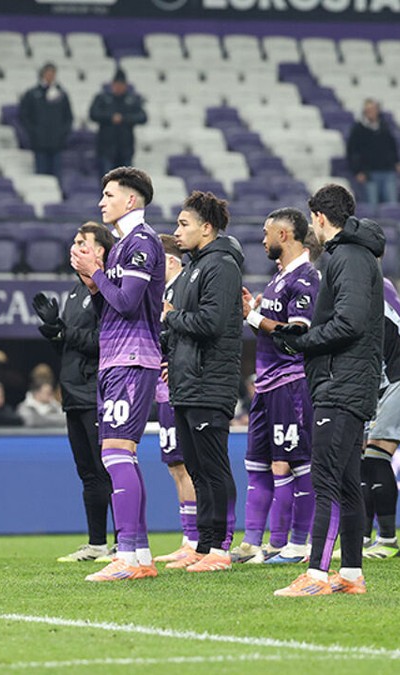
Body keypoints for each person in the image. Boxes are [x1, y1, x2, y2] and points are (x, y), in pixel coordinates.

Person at [272, 183, 384, 597]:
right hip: (346, 381)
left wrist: (304, 341)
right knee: (347, 484)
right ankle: (351, 574)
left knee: (326, 482)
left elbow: (350, 322)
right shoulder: (354, 254)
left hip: (341, 383)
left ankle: (316, 575)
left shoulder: (349, 256)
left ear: (319, 218)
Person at [73, 167, 164, 582]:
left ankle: (126, 555)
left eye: (109, 195)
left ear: (130, 200)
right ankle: (139, 554)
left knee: (114, 453)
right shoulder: (124, 244)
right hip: (115, 357)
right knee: (120, 453)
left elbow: (127, 303)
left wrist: (96, 274)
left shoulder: (141, 242)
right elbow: (109, 308)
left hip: (132, 356)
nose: (101, 202)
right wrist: (93, 284)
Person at [160, 191, 243, 573]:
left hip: (210, 382)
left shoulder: (221, 266)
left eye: (184, 224)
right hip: (187, 383)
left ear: (206, 228)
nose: (177, 231)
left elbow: (211, 322)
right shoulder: (194, 267)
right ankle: (204, 545)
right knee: (196, 467)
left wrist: (171, 317)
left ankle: (221, 549)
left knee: (213, 466)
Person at [232, 207, 319, 566]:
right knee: (258, 464)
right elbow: (273, 331)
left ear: (284, 235)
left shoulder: (307, 278)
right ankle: (253, 544)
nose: (263, 240)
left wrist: (253, 316)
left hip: (291, 384)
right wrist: (253, 313)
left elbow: (297, 334)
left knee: (296, 464)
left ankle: (296, 545)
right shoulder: (279, 278)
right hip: (266, 385)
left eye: (267, 233)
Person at [33, 221, 114, 562]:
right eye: (74, 241)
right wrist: (54, 331)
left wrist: (65, 332)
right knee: (88, 473)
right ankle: (97, 544)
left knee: (108, 469)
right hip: (72, 393)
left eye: (83, 242)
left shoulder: (108, 290)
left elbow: (105, 342)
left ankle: (124, 543)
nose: (74, 247)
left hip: (97, 391)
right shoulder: (75, 291)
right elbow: (69, 349)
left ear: (100, 251)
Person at [359, 278, 400, 559]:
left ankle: (388, 540)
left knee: (376, 456)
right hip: (381, 380)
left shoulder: (368, 293)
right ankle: (361, 539)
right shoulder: (374, 288)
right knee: (362, 461)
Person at [150, 234, 200, 565]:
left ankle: (196, 539)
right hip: (165, 390)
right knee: (175, 466)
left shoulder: (182, 290)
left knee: (186, 466)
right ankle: (188, 538)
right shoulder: (165, 292)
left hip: (181, 388)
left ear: (169, 261)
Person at [346, 99, 400, 210]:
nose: (370, 112)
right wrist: (357, 171)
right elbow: (352, 152)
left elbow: (392, 146)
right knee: (372, 207)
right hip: (369, 174)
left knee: (392, 205)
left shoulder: (384, 127)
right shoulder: (358, 129)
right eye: (368, 110)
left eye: (373, 109)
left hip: (387, 171)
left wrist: (397, 161)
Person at [20, 63, 73, 178]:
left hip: (57, 143)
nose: (50, 76)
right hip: (39, 143)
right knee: (41, 177)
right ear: (43, 74)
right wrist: (34, 132)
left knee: (56, 176)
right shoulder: (32, 94)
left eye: (52, 73)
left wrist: (62, 134)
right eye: (48, 73)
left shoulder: (61, 95)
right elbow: (24, 116)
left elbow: (68, 117)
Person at [88, 71, 146, 178]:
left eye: (121, 85)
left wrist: (124, 119)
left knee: (126, 182)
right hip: (106, 148)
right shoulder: (102, 98)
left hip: (125, 148)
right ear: (112, 85)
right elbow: (93, 114)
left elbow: (142, 117)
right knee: (108, 180)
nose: (119, 87)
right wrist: (110, 117)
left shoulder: (132, 99)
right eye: (117, 85)